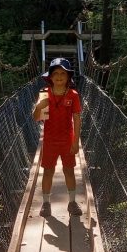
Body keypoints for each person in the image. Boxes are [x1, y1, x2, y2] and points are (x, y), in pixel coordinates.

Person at [32, 57, 82, 217]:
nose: (59, 76)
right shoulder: (44, 94)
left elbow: (77, 119)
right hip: (49, 141)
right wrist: (39, 107)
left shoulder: (73, 95)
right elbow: (36, 118)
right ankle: (46, 204)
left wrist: (75, 142)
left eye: (63, 73)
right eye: (56, 73)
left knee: (69, 171)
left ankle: (72, 202)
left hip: (67, 140)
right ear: (50, 77)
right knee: (48, 171)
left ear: (68, 77)